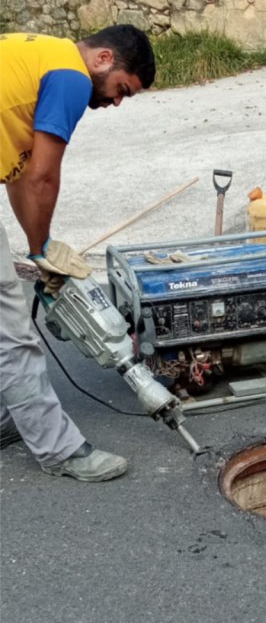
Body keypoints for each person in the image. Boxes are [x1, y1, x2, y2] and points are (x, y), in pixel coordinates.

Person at [1, 25, 155, 481]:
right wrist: (42, 251)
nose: (116, 102)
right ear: (104, 58)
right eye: (121, 89)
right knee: (14, 333)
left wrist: (38, 249)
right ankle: (59, 450)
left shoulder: (35, 52)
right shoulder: (69, 75)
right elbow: (43, 177)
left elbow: (17, 175)